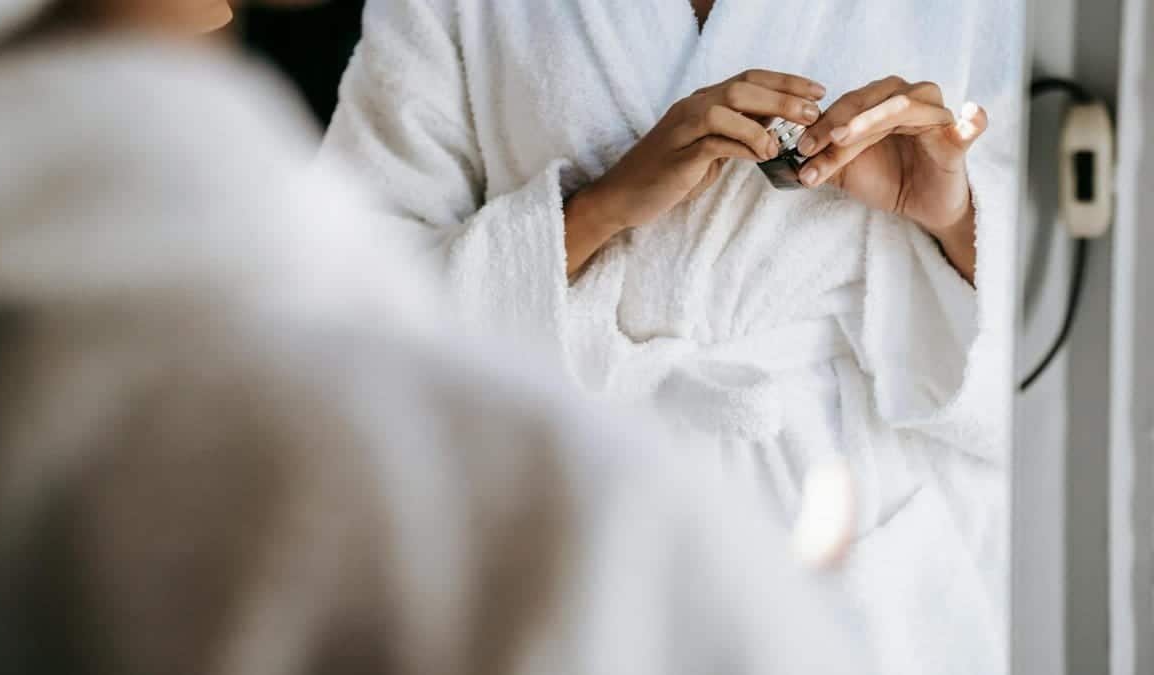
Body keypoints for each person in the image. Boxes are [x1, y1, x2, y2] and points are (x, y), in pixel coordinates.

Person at [0, 2, 865, 674]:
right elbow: (384, 285)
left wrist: (938, 219)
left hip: (865, 531)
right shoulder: (543, 523)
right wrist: (596, 211)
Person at [320, 2, 1020, 673]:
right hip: (576, 532)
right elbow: (344, 314)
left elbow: (1067, 341)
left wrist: (956, 216)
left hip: (865, 543)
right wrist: (598, 210)